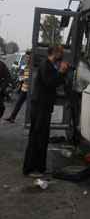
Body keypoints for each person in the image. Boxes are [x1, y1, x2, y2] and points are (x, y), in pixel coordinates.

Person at [23, 46, 69, 177]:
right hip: (40, 107)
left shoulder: (50, 65)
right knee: (36, 137)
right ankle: (30, 169)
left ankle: (40, 168)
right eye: (60, 53)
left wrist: (62, 73)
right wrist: (61, 71)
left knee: (43, 137)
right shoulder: (45, 65)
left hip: (44, 107)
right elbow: (50, 82)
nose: (61, 56)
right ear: (54, 53)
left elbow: (56, 81)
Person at [5, 51, 31, 123]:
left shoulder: (33, 67)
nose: (27, 59)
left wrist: (26, 79)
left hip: (30, 90)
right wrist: (22, 78)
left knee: (31, 107)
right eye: (26, 57)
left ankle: (30, 121)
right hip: (24, 89)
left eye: (28, 57)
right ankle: (12, 118)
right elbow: (20, 76)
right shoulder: (25, 66)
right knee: (18, 104)